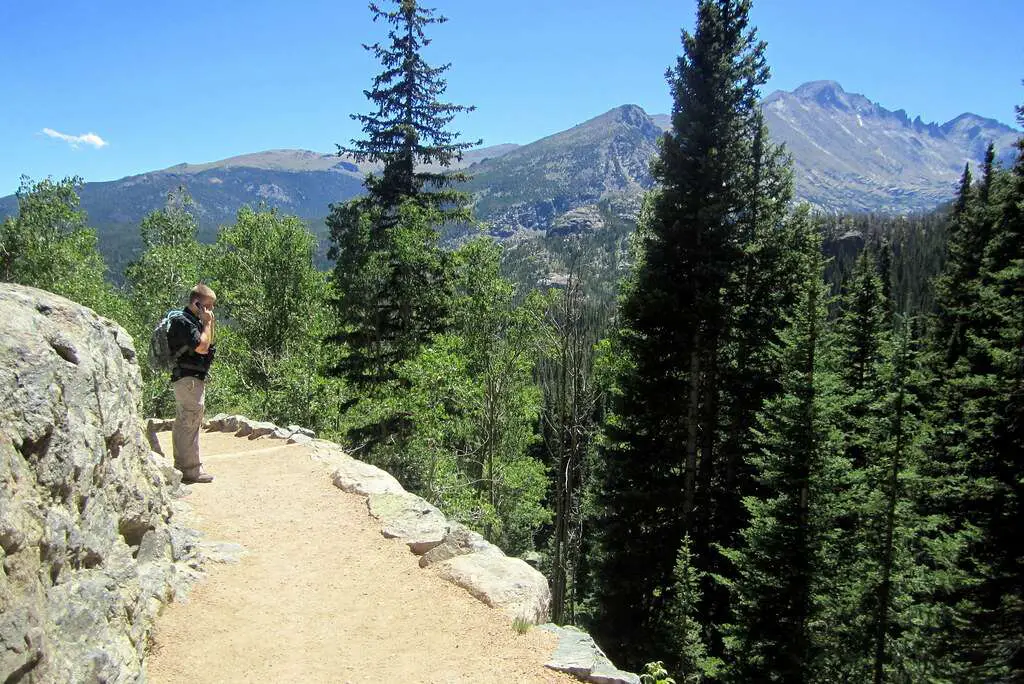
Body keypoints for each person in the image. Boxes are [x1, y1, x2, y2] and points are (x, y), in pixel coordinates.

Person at [169, 284, 217, 484]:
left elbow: (208, 342)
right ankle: (189, 470)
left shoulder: (192, 321)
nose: (211, 310)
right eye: (208, 306)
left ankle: (189, 466)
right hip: (187, 379)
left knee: (191, 419)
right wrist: (206, 324)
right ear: (197, 303)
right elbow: (202, 348)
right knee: (188, 420)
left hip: (192, 378)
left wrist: (208, 323)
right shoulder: (184, 322)